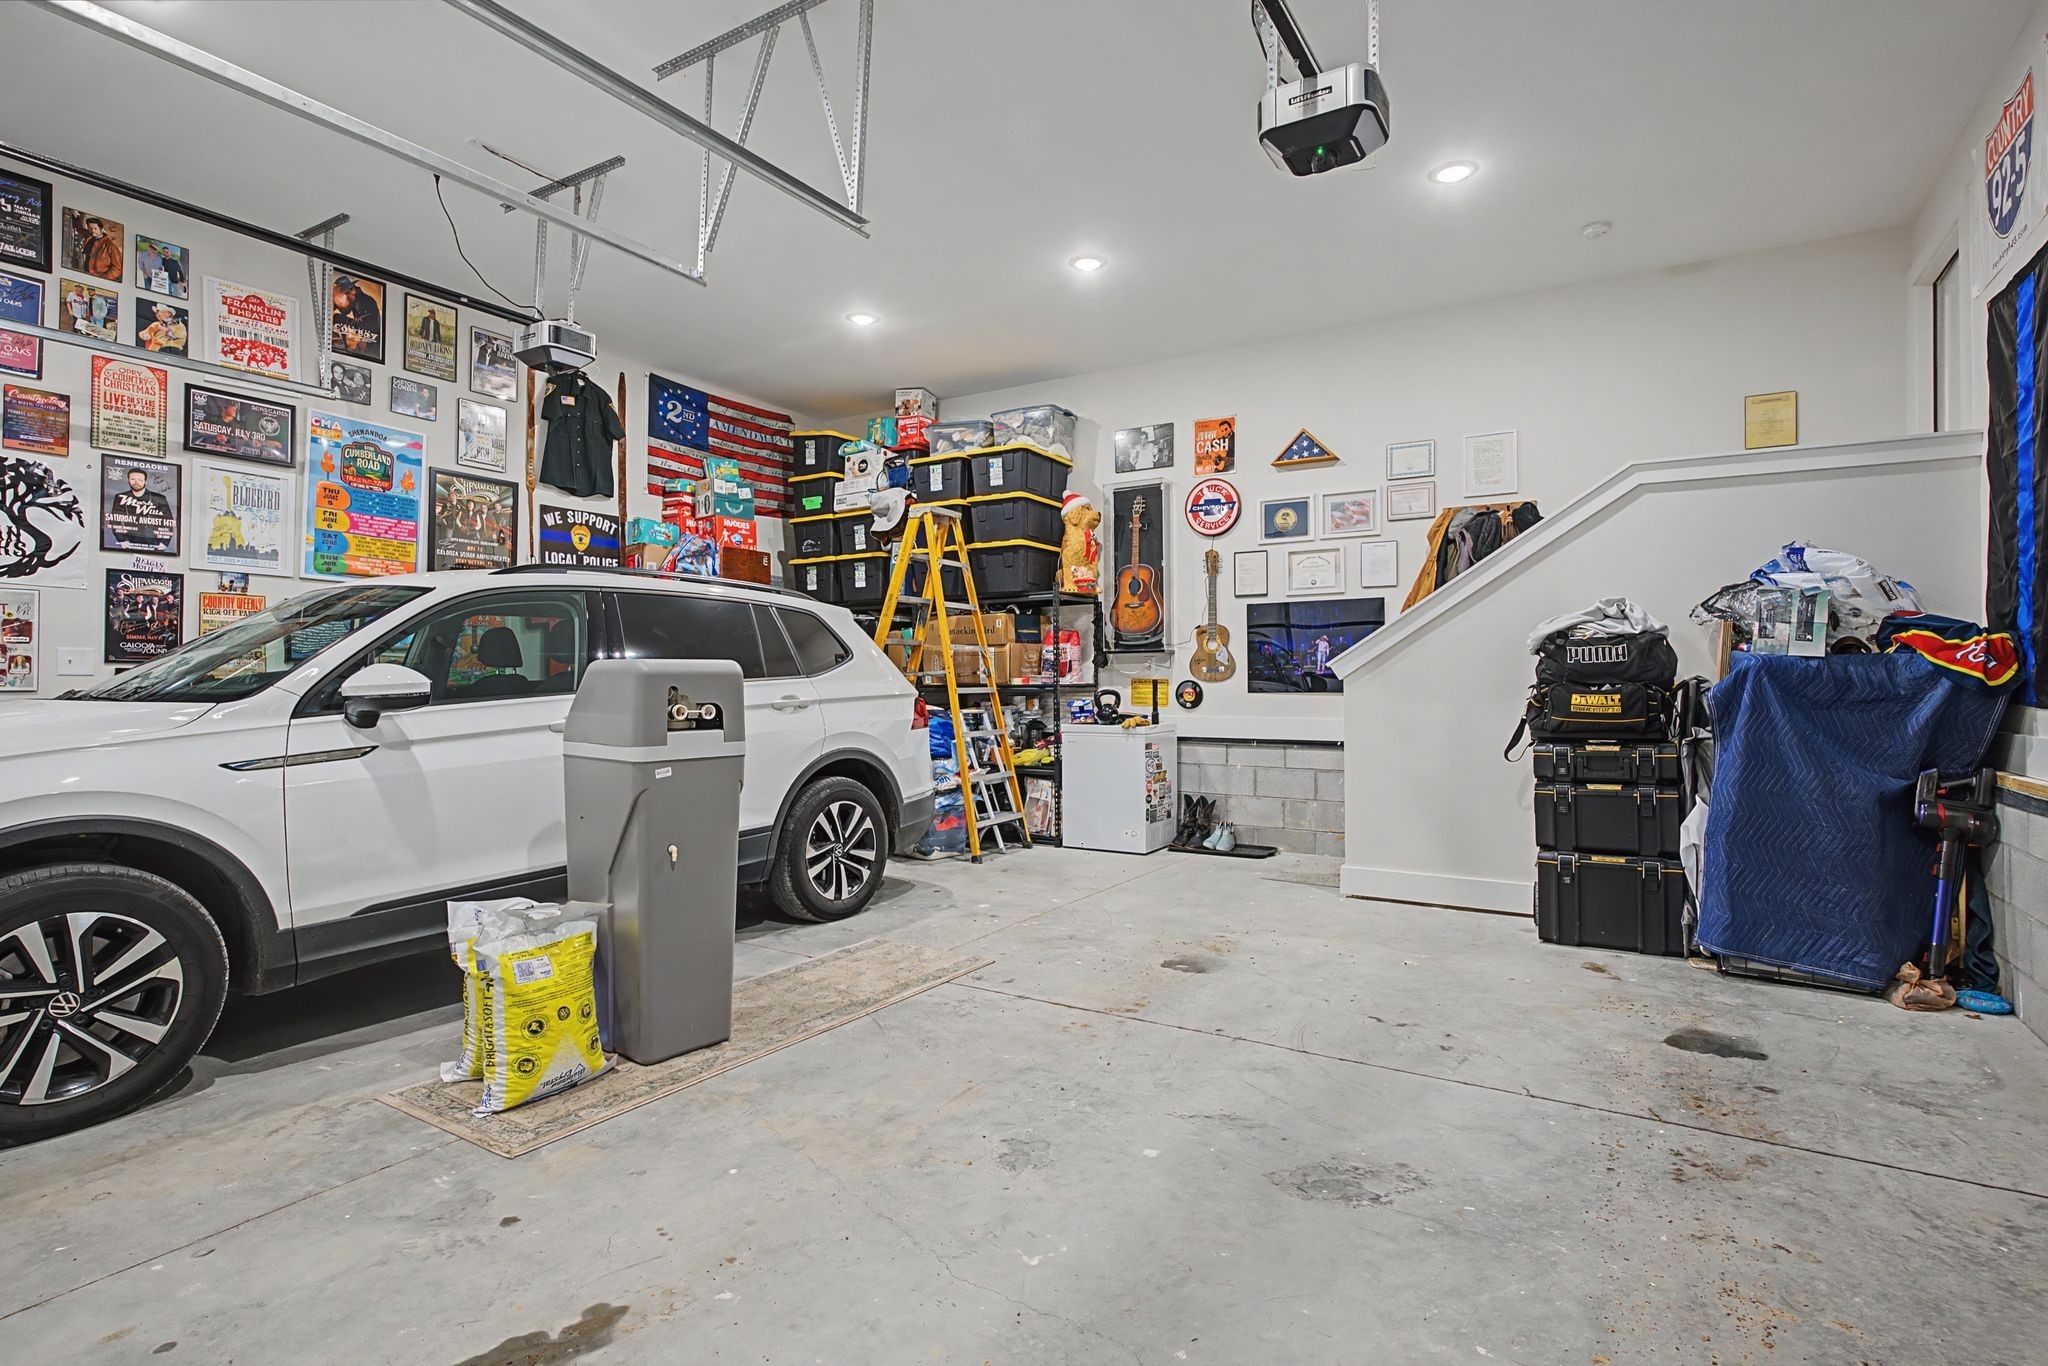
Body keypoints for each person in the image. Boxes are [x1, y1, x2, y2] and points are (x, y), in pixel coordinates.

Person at [109, 467, 174, 550]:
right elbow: (114, 521)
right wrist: (122, 540)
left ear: (145, 482)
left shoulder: (159, 498)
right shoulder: (120, 497)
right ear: (128, 480)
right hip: (129, 544)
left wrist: (164, 543)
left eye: (140, 480)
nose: (136, 482)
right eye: (133, 479)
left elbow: (168, 522)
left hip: (154, 544)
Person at [331, 276, 382, 355]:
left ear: (352, 290)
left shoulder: (365, 302)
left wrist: (363, 339)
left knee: (338, 319)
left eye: (345, 293)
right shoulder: (355, 298)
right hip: (361, 329)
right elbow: (345, 310)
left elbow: (371, 327)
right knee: (337, 318)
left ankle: (344, 349)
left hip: (370, 337)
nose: (344, 298)